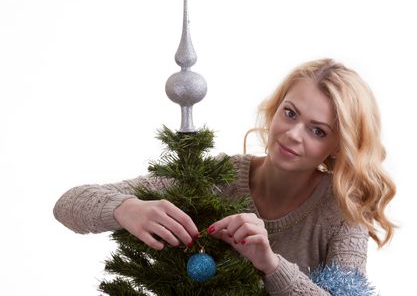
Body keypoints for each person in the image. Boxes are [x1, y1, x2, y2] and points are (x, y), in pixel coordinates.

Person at [53, 58, 396, 295]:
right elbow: (68, 204)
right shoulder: (216, 176)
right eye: (289, 113)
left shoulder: (341, 215)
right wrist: (126, 209)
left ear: (338, 146)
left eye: (318, 131)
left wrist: (271, 264)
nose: (293, 134)